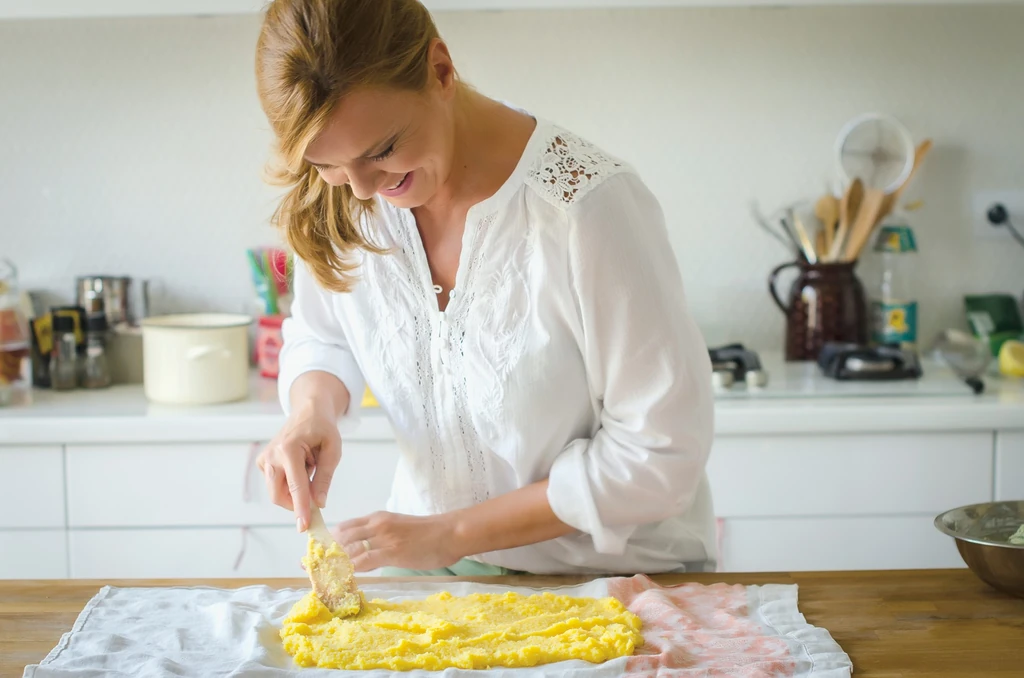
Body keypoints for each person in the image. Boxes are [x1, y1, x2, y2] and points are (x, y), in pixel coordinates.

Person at [254, 0, 716, 577]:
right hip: (431, 581)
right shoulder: (345, 196)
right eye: (329, 165)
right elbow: (324, 336)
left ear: (440, 70)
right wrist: (311, 412)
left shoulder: (587, 208)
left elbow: (660, 456)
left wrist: (453, 534)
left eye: (383, 150)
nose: (363, 189)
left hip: (613, 583)